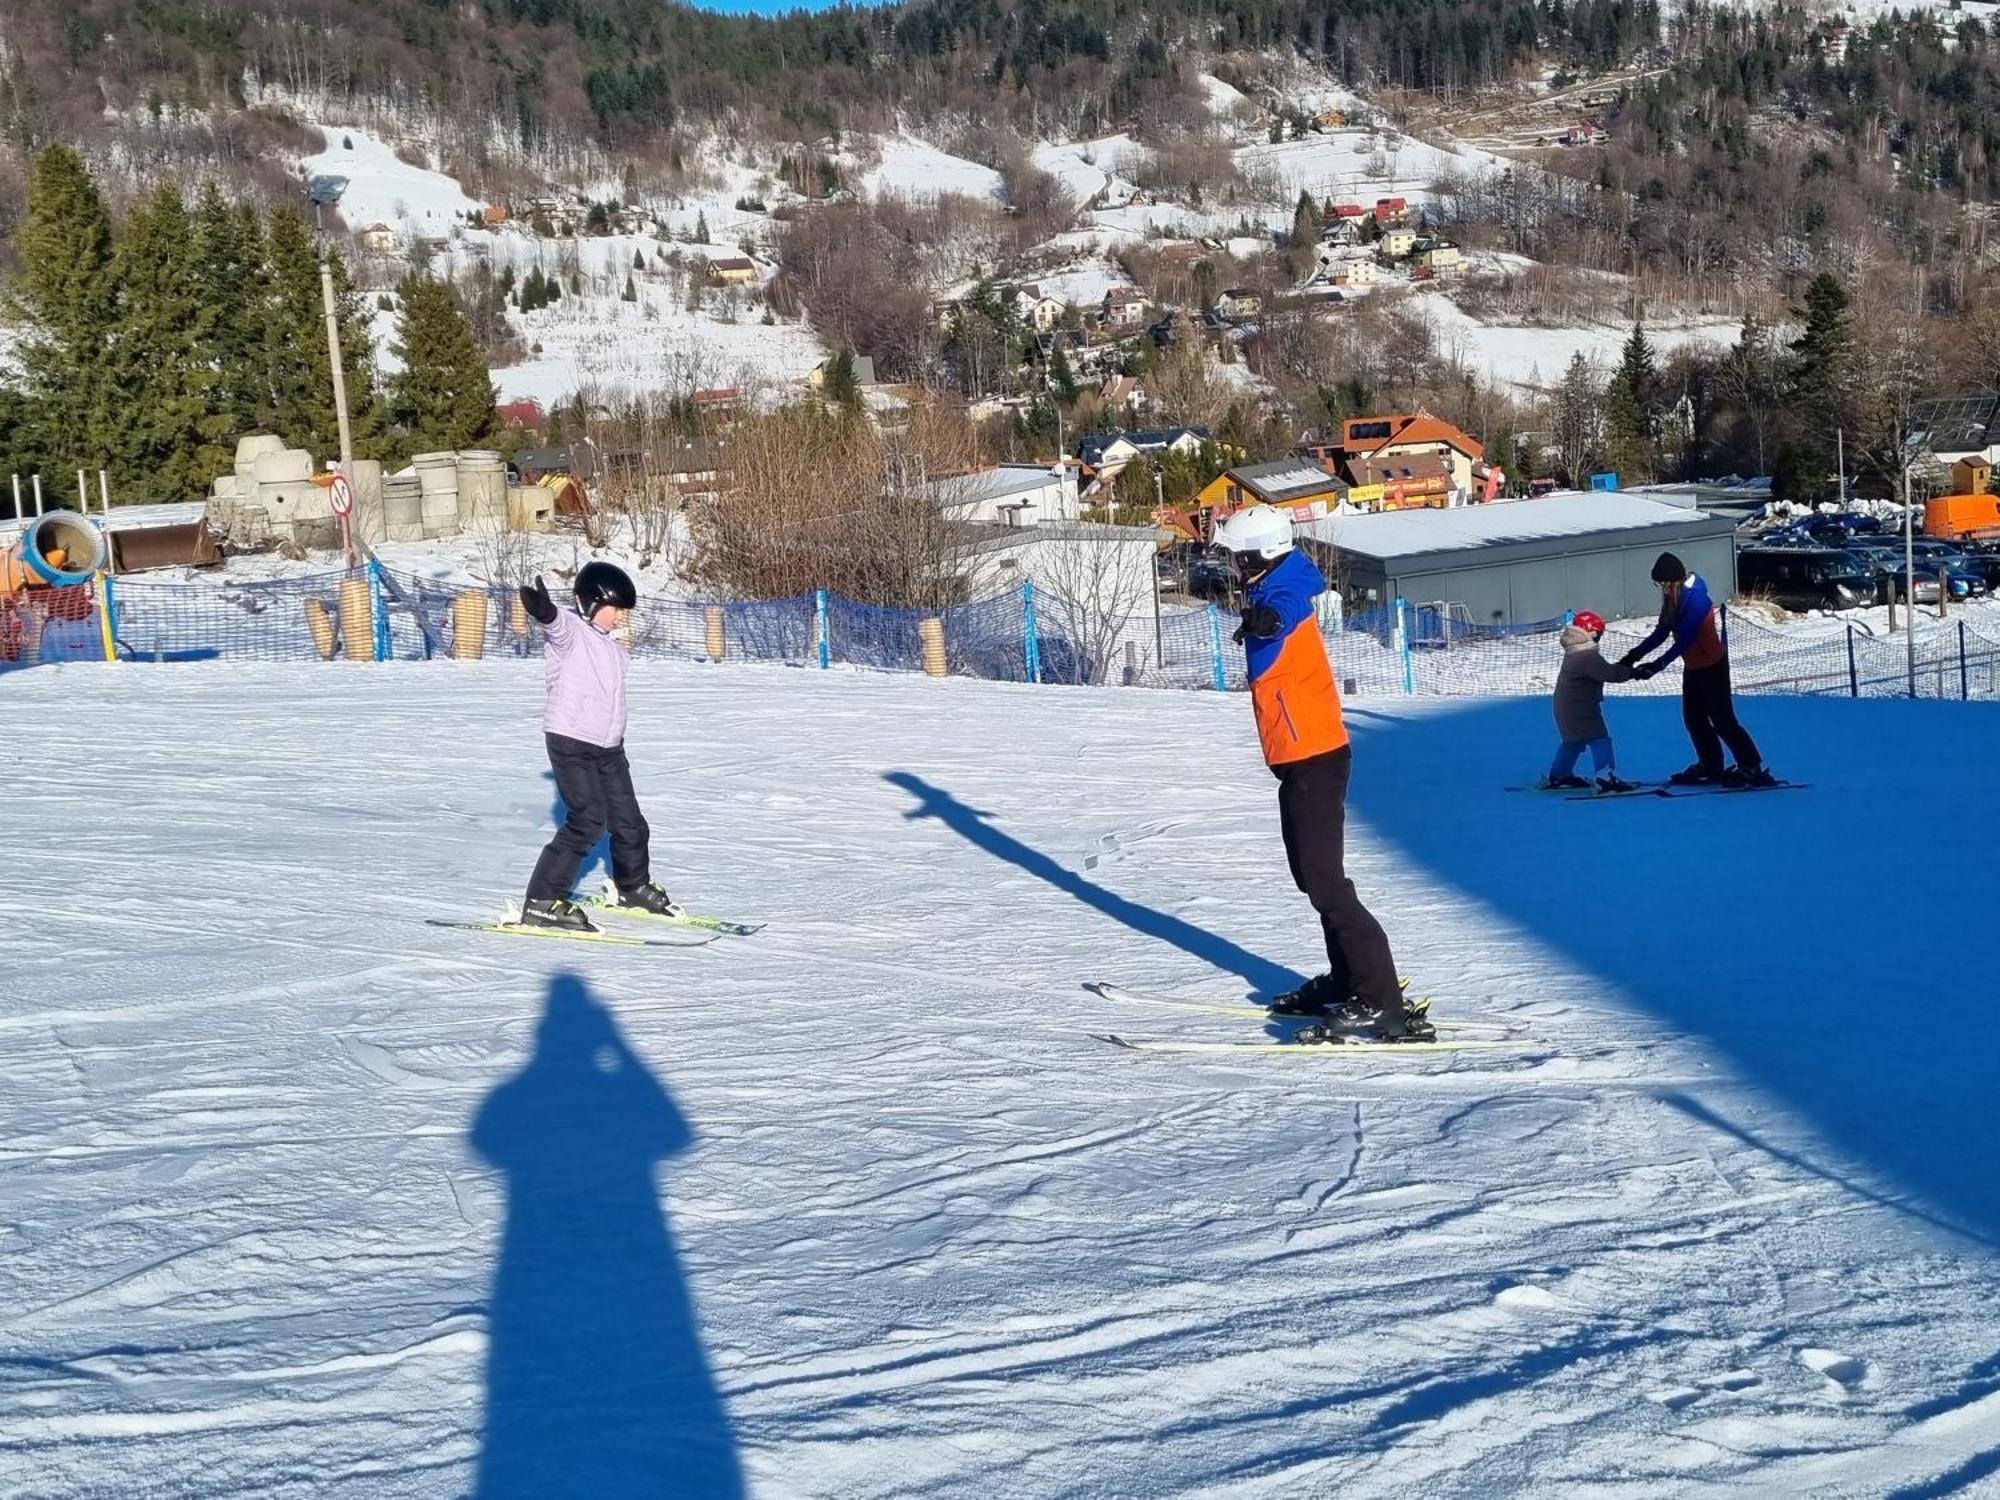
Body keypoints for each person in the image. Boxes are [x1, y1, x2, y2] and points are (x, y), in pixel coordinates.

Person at [1211, 504, 1434, 1042]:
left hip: (1315, 757)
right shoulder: (1271, 584)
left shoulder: (1281, 593)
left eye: (1238, 558)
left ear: (1259, 555)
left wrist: (1270, 620)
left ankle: (1380, 1000)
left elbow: (1289, 607)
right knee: (1313, 879)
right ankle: (1346, 979)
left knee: (1328, 883)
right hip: (1301, 757)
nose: (1234, 568)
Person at [515, 563, 680, 930]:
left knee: (630, 823)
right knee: (588, 821)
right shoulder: (571, 631)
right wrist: (542, 609)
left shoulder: (614, 648)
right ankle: (542, 900)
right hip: (570, 741)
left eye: (624, 611)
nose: (621, 617)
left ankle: (632, 885)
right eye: (615, 608)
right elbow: (554, 623)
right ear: (588, 603)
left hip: (608, 746)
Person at [1623, 552, 1775, 787]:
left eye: (1662, 584)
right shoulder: (1673, 598)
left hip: (1713, 666)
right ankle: (1711, 765)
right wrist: (1633, 656)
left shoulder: (1696, 600)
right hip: (1694, 667)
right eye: (1658, 584)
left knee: (1723, 720)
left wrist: (1658, 665)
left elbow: (1685, 639)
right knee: (1693, 719)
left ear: (1674, 581)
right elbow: (1662, 632)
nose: (1660, 589)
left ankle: (1751, 766)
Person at [1545, 610, 1638, 792]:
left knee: (1573, 742)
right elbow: (1610, 674)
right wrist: (1633, 672)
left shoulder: (1574, 652)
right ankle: (1605, 778)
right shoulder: (1586, 656)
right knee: (1600, 740)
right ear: (1592, 633)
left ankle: (1559, 774)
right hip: (1581, 709)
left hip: (1565, 707)